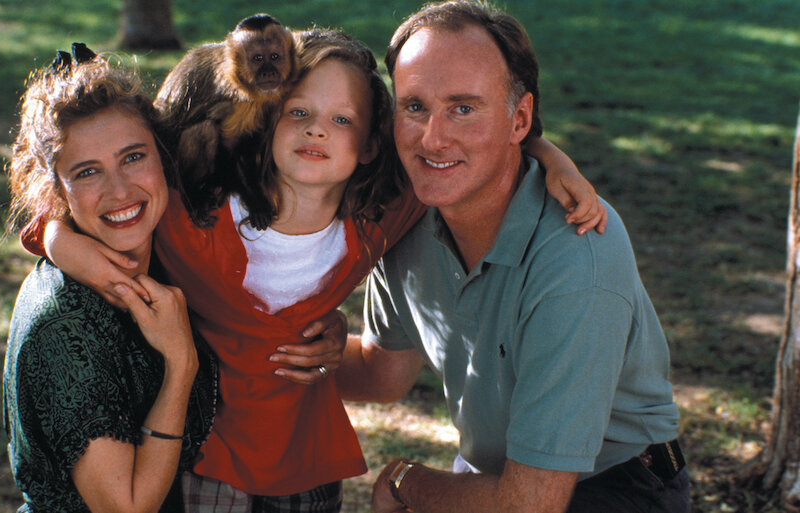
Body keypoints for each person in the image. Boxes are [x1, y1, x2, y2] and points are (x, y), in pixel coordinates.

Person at [30, 29, 605, 513]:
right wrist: (59, 241)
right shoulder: (194, 219)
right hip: (210, 455)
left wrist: (550, 157)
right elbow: (98, 202)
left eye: (341, 119)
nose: (317, 130)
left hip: (307, 456)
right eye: (299, 113)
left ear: (371, 144)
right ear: (268, 119)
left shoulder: (379, 220)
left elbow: (467, 152)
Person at [334, 2, 689, 512]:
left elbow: (529, 505)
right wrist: (274, 351)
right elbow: (380, 372)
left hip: (615, 486)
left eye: (463, 108)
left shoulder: (576, 258)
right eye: (414, 106)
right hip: (503, 478)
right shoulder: (408, 216)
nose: (432, 138)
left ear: (519, 118)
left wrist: (404, 482)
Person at [2, 46, 218, 513]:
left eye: (133, 157)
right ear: (56, 192)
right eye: (87, 172)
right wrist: (180, 364)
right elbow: (127, 508)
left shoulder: (162, 253)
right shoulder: (64, 326)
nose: (119, 191)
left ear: (164, 158)